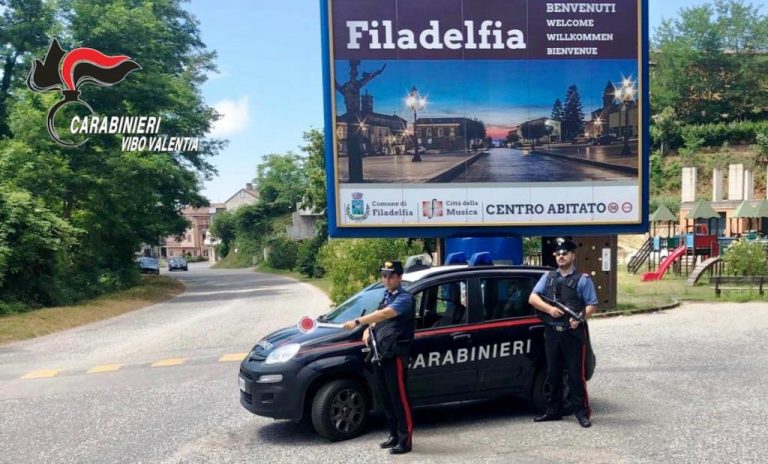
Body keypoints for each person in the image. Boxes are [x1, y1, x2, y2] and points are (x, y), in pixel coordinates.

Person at [342, 260, 414, 454]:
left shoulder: (404, 298)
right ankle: (393, 435)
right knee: (386, 397)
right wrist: (367, 328)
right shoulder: (387, 295)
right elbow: (378, 318)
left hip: (396, 354)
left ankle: (405, 441)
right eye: (384, 276)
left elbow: (384, 314)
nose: (387, 279)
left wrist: (357, 322)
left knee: (399, 399)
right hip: (381, 352)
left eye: (391, 276)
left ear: (399, 277)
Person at [528, 238, 598, 428]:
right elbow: (533, 298)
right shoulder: (548, 277)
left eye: (564, 253)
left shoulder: (583, 280)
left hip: (573, 334)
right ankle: (553, 411)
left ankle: (582, 413)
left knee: (576, 376)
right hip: (552, 333)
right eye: (558, 254)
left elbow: (592, 304)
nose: (560, 256)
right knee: (553, 374)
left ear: (573, 256)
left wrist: (580, 318)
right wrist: (549, 310)